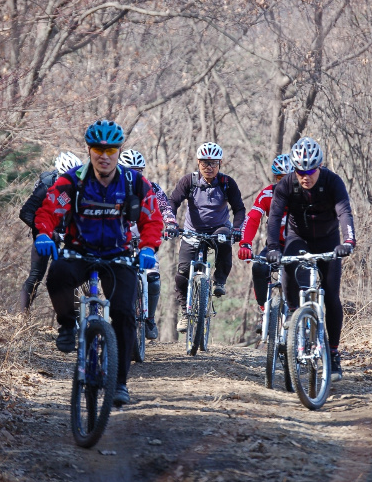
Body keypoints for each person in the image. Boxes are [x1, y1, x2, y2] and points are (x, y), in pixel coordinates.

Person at [33, 120, 164, 405]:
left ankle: (119, 384)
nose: (104, 156)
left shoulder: (134, 183)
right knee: (56, 275)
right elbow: (50, 209)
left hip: (118, 255)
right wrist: (43, 233)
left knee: (125, 314)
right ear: (89, 150)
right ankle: (67, 326)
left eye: (111, 149)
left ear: (119, 150)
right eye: (98, 149)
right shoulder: (72, 181)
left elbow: (152, 219)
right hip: (79, 251)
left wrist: (148, 248)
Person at [265, 136, 356, 381]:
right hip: (299, 236)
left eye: (311, 171)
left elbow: (344, 211)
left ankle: (334, 354)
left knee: (332, 296)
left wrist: (348, 242)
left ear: (319, 167)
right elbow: (274, 217)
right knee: (287, 262)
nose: (306, 176)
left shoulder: (332, 181)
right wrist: (273, 246)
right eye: (300, 171)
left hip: (328, 239)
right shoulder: (287, 185)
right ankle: (294, 312)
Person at [169, 142, 245, 333]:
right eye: (204, 163)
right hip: (192, 230)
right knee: (183, 271)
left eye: (213, 163)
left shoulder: (227, 183)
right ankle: (186, 314)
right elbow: (173, 201)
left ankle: (219, 281)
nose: (208, 167)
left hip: (218, 229)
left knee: (225, 240)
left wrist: (236, 228)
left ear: (220, 164)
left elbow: (239, 209)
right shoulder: (189, 181)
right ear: (198, 163)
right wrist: (171, 222)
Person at [119, 148, 179, 340]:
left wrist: (170, 223)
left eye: (139, 171)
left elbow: (165, 208)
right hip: (120, 240)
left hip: (145, 239)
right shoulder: (112, 189)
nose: (135, 175)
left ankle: (150, 319)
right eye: (130, 171)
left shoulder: (151, 188)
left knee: (153, 280)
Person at [19, 151, 83, 312]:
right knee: (36, 275)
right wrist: (46, 231)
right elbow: (26, 212)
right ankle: (21, 317)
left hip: (67, 231)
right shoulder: (47, 185)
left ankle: (74, 318)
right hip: (45, 232)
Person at [237, 154, 293, 332]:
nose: (283, 183)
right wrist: (245, 243)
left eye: (288, 178)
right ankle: (264, 311)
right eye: (279, 178)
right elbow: (253, 218)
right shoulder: (268, 193)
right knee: (258, 268)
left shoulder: (303, 195)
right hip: (274, 246)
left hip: (298, 247)